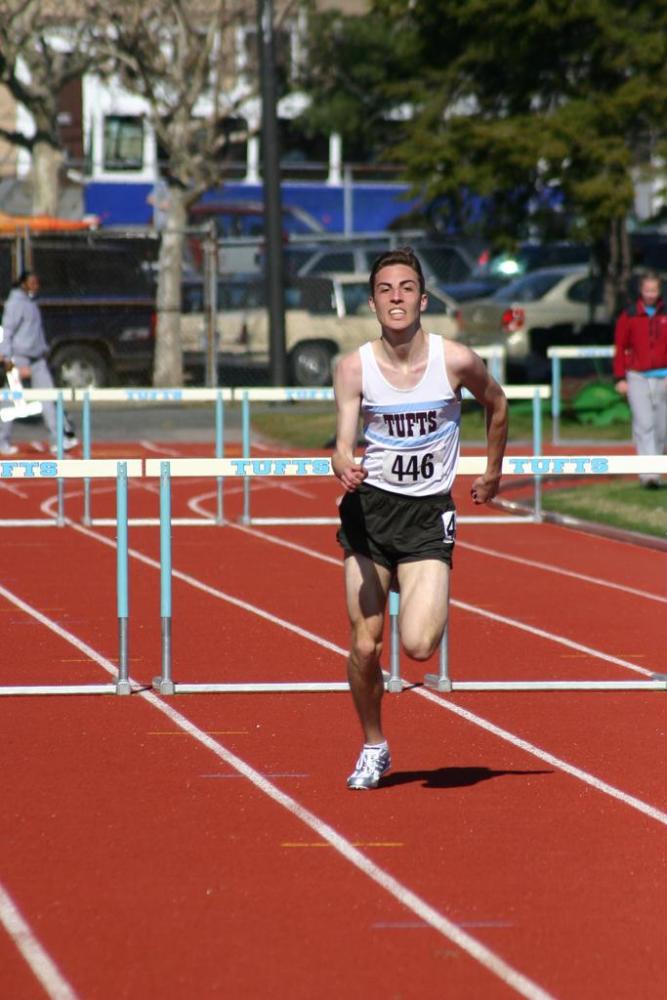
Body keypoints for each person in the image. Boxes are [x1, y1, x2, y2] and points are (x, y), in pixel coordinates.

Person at [332, 246, 508, 790]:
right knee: (366, 643)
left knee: (418, 647)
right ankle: (373, 745)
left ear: (423, 298)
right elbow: (342, 438)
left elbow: (497, 404)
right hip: (370, 512)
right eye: (386, 290)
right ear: (372, 302)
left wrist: (493, 471)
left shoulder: (454, 360)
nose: (396, 298)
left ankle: (423, 584)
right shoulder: (353, 366)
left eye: (406, 288)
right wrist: (342, 459)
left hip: (428, 515)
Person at [0, 270, 78, 455]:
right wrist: (9, 360)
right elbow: (7, 332)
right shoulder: (15, 304)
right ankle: (1, 441)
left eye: (37, 282)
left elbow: (35, 332)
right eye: (32, 282)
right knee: (11, 402)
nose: (36, 286)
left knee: (49, 398)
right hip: (19, 359)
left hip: (38, 360)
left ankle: (57, 440)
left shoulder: (32, 303)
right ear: (23, 283)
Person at [613, 271, 667, 489]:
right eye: (647, 290)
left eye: (654, 290)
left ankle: (657, 466)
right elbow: (620, 348)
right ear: (641, 291)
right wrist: (620, 377)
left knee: (662, 426)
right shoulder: (630, 315)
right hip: (637, 376)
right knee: (644, 424)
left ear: (659, 290)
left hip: (663, 376)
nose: (651, 294)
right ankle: (649, 474)